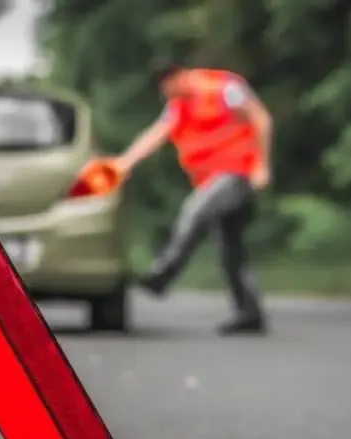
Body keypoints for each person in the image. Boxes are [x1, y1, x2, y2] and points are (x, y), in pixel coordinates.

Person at [112, 63, 274, 335]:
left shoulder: (224, 88)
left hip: (238, 170)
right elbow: (156, 135)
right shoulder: (178, 106)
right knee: (230, 248)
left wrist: (262, 165)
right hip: (211, 178)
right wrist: (125, 162)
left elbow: (261, 118)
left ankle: (163, 274)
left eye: (168, 89)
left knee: (195, 211)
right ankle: (249, 313)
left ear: (179, 77)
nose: (168, 97)